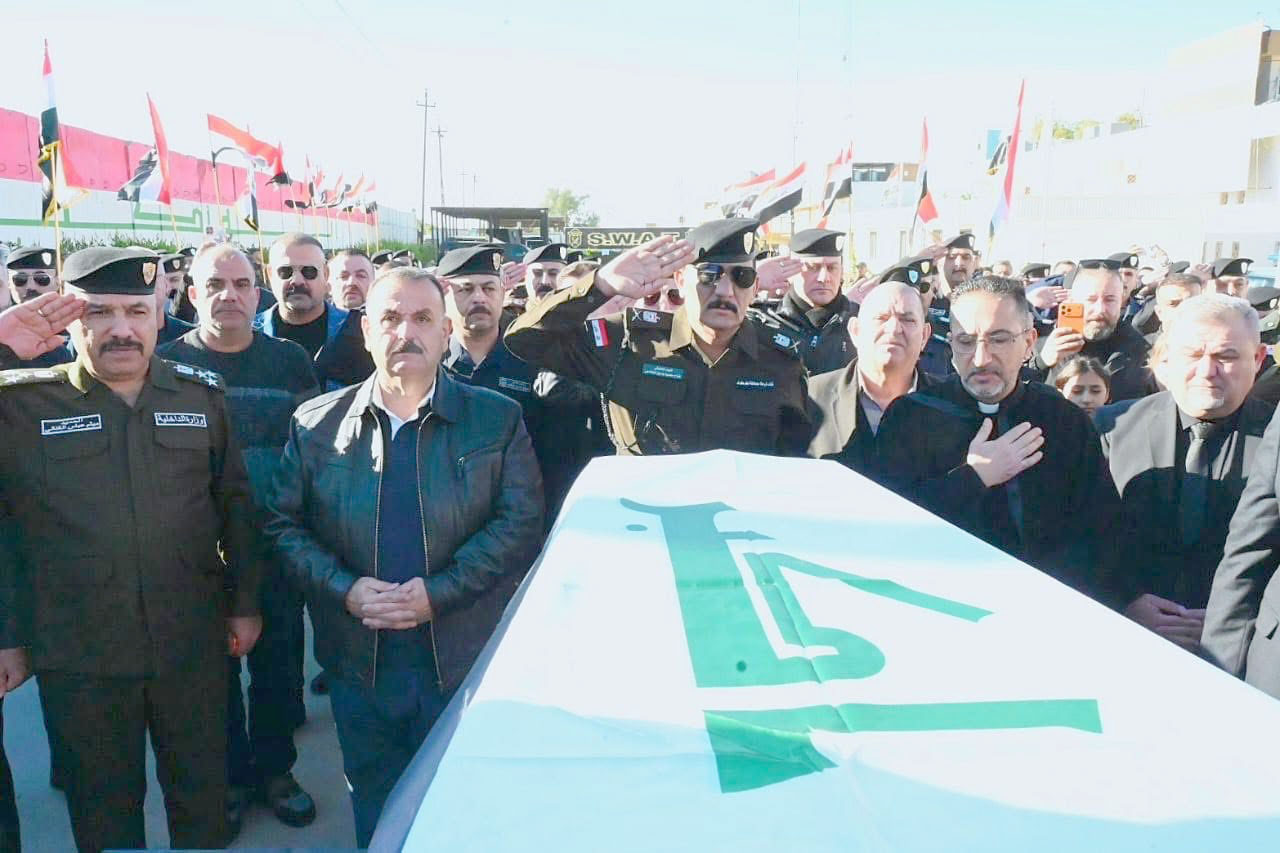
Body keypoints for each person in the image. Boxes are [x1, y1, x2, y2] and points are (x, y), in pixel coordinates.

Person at [265, 266, 543, 846]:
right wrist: (344, 589)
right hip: (360, 664)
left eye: (422, 319)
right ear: (366, 331)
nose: (406, 333)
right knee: (377, 804)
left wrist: (438, 594)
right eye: (390, 318)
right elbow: (284, 526)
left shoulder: (497, 418)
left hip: (459, 660)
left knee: (460, 807)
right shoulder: (315, 424)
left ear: (446, 331)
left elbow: (519, 521)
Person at [0, 247, 263, 853]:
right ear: (69, 318)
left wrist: (245, 604)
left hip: (190, 643)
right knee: (102, 813)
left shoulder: (200, 396)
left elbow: (235, 506)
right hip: (79, 653)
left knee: (201, 801)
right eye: (99, 312)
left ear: (161, 314)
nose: (121, 329)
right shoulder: (21, 404)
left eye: (137, 311)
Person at [158, 244, 320, 835]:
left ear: (258, 293)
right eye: (214, 284)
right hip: (195, 552)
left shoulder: (290, 362)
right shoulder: (165, 365)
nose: (229, 295)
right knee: (212, 676)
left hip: (274, 544)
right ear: (192, 294)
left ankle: (276, 771)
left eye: (242, 284)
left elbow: (312, 451)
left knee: (277, 667)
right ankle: (229, 778)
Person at [875, 275, 1123, 602]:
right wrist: (972, 478)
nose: (981, 359)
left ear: (1029, 342)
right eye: (966, 341)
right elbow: (888, 527)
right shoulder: (911, 417)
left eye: (999, 339)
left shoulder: (1063, 420)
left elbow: (1101, 528)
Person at [505, 219, 812, 456]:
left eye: (741, 277)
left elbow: (793, 456)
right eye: (709, 275)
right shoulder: (628, 343)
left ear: (755, 287)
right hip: (645, 516)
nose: (724, 291)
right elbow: (523, 340)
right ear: (680, 279)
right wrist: (600, 284)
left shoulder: (780, 360)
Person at [1096, 294, 1271, 655]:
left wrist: (1229, 622)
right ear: (1167, 359)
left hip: (1244, 652)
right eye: (1193, 354)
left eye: (1226, 356)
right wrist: (1125, 602)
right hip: (1125, 638)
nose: (1207, 371)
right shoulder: (1113, 428)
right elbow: (1084, 533)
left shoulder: (1275, 437)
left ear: (1257, 359)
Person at [807, 281, 940, 472]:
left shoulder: (950, 406)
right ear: (855, 331)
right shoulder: (809, 398)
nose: (894, 328)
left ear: (925, 336)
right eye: (881, 318)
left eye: (908, 320)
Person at [1033, 258, 1158, 402]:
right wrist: (1040, 363)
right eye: (1091, 299)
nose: (1100, 309)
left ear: (1122, 301)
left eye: (1110, 300)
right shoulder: (1042, 345)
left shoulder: (1142, 352)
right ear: (1072, 301)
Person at [254, 232, 357, 389]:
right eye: (285, 272)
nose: (297, 281)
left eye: (309, 271)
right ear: (270, 275)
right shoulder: (249, 335)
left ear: (325, 274)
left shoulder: (357, 332)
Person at [753, 228, 856, 373]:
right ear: (791, 270)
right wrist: (751, 281)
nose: (824, 278)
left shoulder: (861, 321)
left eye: (832, 268)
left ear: (841, 271)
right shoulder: (764, 321)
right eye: (813, 267)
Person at [521, 242, 570, 310]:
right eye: (537, 273)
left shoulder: (578, 313)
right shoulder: (510, 314)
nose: (545, 282)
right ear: (525, 278)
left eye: (553, 274)